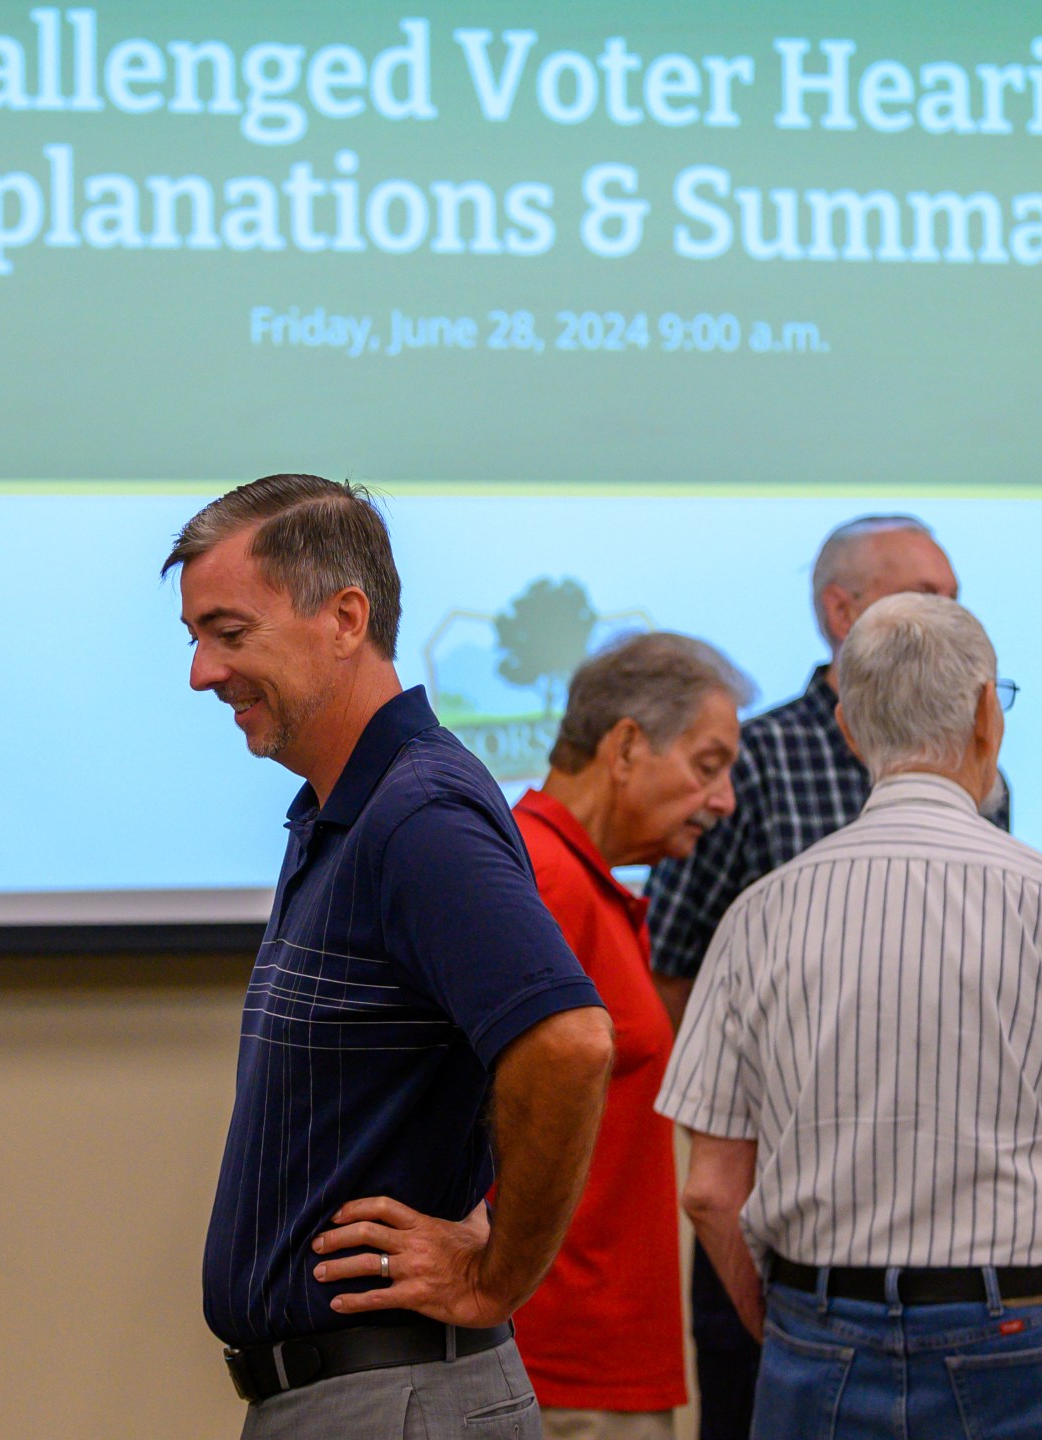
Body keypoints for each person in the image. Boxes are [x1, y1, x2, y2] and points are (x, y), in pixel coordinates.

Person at [658, 594, 1042, 1440]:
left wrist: (796, 1326)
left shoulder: (758, 915)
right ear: (988, 716)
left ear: (849, 729)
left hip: (816, 1327)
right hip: (1025, 1330)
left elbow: (713, 1192)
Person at [165, 475, 615, 1440]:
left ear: (345, 617)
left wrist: (499, 1277)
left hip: (395, 1400)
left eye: (230, 633)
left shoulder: (417, 816)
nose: (203, 672)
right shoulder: (341, 809)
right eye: (195, 637)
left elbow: (570, 1043)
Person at [642, 514, 993, 1439]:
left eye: (957, 597)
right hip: (782, 1225)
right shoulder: (749, 761)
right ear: (842, 612)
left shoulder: (982, 765)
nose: (954, 618)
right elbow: (674, 971)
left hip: (953, 1224)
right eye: (929, 596)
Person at [509, 633, 751, 1440]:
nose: (724, 801)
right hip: (562, 1364)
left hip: (605, 1356)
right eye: (708, 765)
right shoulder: (542, 879)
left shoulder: (584, 881)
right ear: (624, 746)